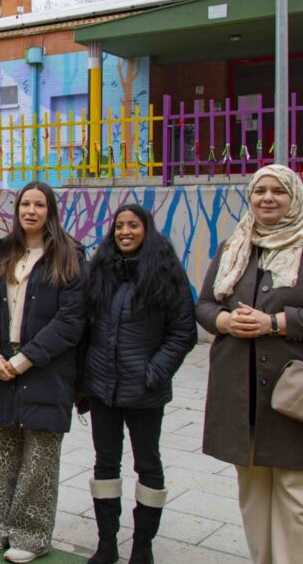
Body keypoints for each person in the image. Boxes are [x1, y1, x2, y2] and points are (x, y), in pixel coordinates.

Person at [196, 164, 303, 564]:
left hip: (301, 389)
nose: (267, 198)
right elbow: (204, 304)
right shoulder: (235, 245)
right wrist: (225, 321)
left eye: (278, 191)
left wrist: (276, 323)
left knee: (301, 493)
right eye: (260, 191)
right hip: (242, 391)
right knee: (253, 490)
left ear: (295, 196)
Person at [0, 180, 86, 564]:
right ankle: (7, 523)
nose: (30, 211)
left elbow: (71, 320)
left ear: (50, 211)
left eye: (39, 205)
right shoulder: (1, 252)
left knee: (39, 459)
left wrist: (24, 359)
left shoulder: (69, 255)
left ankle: (33, 535)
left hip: (44, 368)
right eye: (24, 205)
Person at [81, 204, 196, 564]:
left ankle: (143, 545)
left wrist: (154, 373)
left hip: (145, 391)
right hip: (102, 389)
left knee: (148, 464)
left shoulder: (166, 273)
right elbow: (86, 325)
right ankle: (106, 543)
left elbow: (183, 332)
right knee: (105, 464)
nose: (125, 232)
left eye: (133, 225)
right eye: (119, 226)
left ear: (147, 230)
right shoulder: (100, 271)